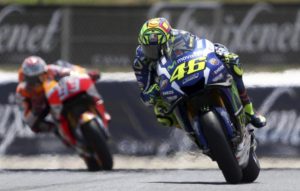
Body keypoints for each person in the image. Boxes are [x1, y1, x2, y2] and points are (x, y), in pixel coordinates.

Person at [132, 17, 266, 128]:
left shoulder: (180, 37)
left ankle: (249, 112)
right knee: (162, 116)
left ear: (167, 40)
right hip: (166, 86)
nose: (150, 51)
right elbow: (145, 91)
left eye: (155, 47)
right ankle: (191, 129)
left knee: (233, 64)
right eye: (147, 47)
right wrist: (151, 93)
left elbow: (204, 47)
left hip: (187, 72)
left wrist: (222, 54)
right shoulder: (140, 60)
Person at [16, 56, 106, 134]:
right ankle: (58, 130)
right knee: (33, 125)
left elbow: (69, 71)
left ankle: (97, 108)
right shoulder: (22, 90)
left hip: (56, 94)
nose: (39, 80)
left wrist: (86, 73)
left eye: (41, 75)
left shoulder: (51, 69)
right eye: (34, 78)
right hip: (42, 103)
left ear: (44, 70)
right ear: (26, 77)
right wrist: (35, 109)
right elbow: (26, 116)